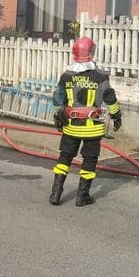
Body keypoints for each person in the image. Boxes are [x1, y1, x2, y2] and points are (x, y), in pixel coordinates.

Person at [49, 36, 122, 206]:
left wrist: (57, 116)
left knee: (65, 157)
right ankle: (82, 196)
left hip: (70, 127)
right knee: (89, 160)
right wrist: (117, 117)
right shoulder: (100, 76)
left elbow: (57, 98)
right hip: (93, 128)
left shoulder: (66, 75)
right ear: (90, 53)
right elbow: (110, 99)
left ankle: (56, 194)